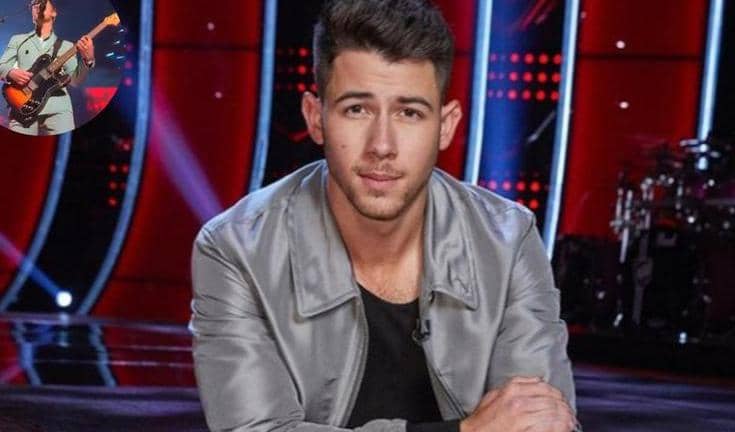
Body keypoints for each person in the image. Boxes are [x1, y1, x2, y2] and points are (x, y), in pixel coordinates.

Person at [189, 1, 578, 431]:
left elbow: (540, 420)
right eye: (357, 109)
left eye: (409, 113)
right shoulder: (236, 249)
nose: (382, 146)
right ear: (315, 118)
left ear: (446, 126)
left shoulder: (506, 240)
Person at [0, 0, 95, 136]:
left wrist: (88, 59)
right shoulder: (17, 40)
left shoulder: (67, 46)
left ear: (54, 12)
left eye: (43, 2)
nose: (38, 5)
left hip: (58, 110)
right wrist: (10, 72)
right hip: (21, 108)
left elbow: (75, 81)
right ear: (32, 12)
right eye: (34, 3)